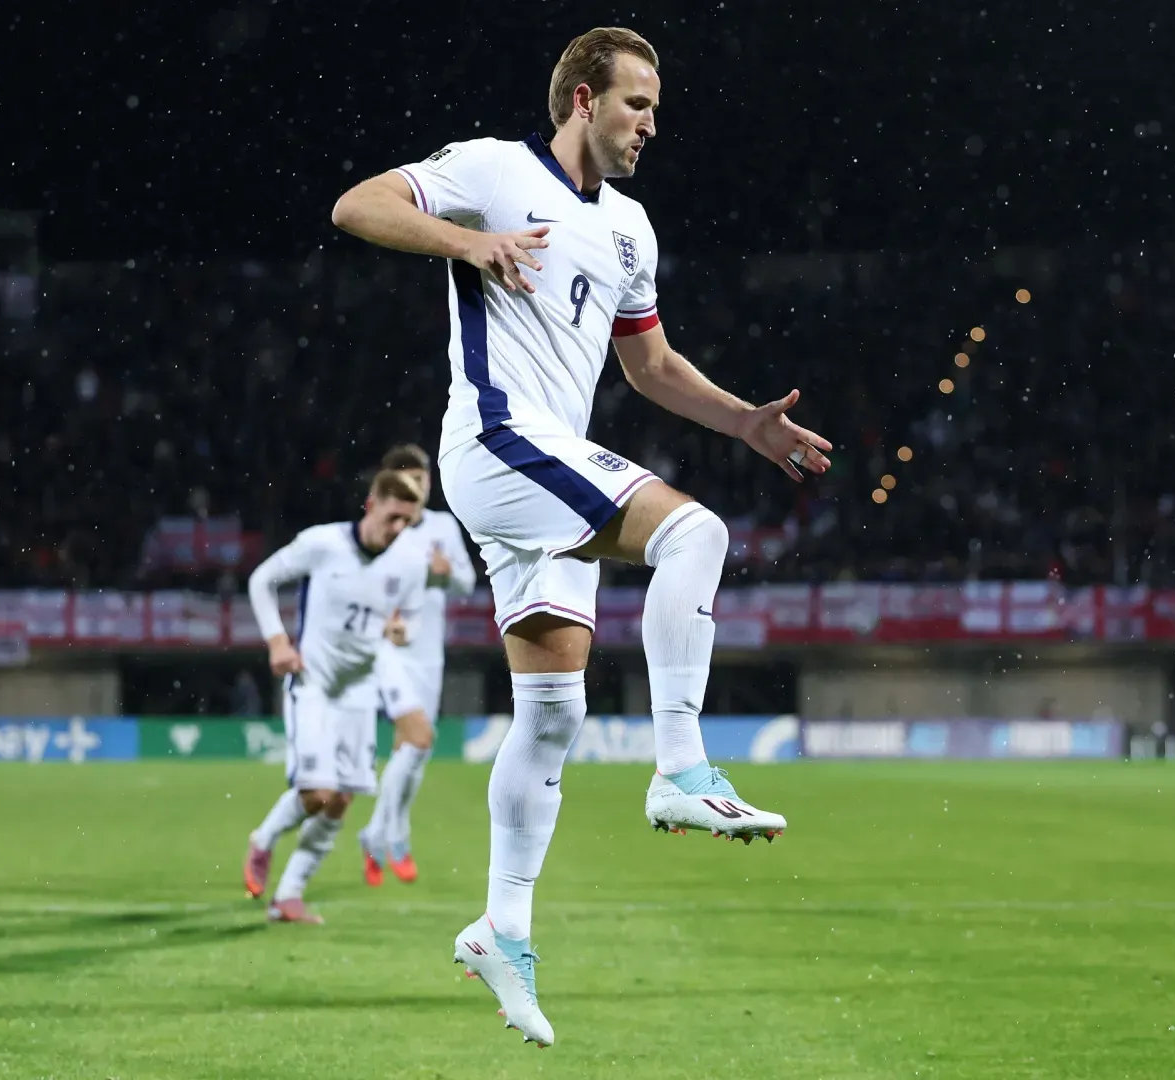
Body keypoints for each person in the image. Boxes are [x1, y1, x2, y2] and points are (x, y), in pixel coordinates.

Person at [330, 27, 833, 1046]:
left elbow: (648, 368)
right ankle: (683, 767)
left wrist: (743, 421)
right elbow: (359, 205)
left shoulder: (631, 232)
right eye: (637, 104)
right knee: (695, 536)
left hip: (546, 465)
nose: (651, 123)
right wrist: (467, 241)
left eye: (655, 108)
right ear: (583, 98)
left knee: (554, 712)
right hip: (499, 442)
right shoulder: (491, 170)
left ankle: (500, 930)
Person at [239, 470, 428, 924]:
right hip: (314, 685)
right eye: (394, 517)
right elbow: (261, 580)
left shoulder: (408, 564)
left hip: (360, 691)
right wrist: (278, 641)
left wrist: (403, 632)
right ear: (372, 504)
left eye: (409, 521)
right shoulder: (323, 545)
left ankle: (289, 895)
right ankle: (263, 839)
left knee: (343, 799)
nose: (399, 529)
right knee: (319, 793)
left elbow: (413, 620)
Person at [357, 444, 477, 886]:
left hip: (430, 653)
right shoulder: (387, 528)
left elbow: (466, 582)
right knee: (415, 743)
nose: (419, 484)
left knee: (414, 754)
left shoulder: (444, 526)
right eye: (408, 478)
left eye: (423, 477)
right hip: (390, 649)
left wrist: (445, 571)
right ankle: (389, 836)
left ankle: (380, 833)